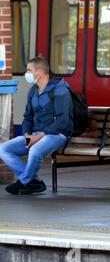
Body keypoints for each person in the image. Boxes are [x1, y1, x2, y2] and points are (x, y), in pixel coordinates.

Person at [0, 56, 73, 195]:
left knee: (35, 151)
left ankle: (25, 181)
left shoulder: (60, 90)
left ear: (39, 72)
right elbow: (27, 117)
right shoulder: (33, 91)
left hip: (57, 134)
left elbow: (62, 121)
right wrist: (27, 134)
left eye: (29, 70)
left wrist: (38, 136)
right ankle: (34, 181)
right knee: (3, 149)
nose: (26, 73)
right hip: (36, 134)